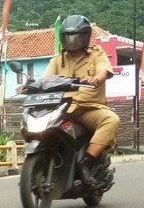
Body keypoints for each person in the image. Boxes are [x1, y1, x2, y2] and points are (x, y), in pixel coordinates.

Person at [42, 14, 119, 187]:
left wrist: (96, 79)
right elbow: (45, 80)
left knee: (111, 120)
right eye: (68, 36)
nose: (72, 40)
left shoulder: (96, 54)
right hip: (62, 109)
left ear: (85, 36)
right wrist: (28, 85)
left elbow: (103, 71)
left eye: (76, 36)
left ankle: (85, 163)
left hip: (88, 108)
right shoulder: (57, 60)